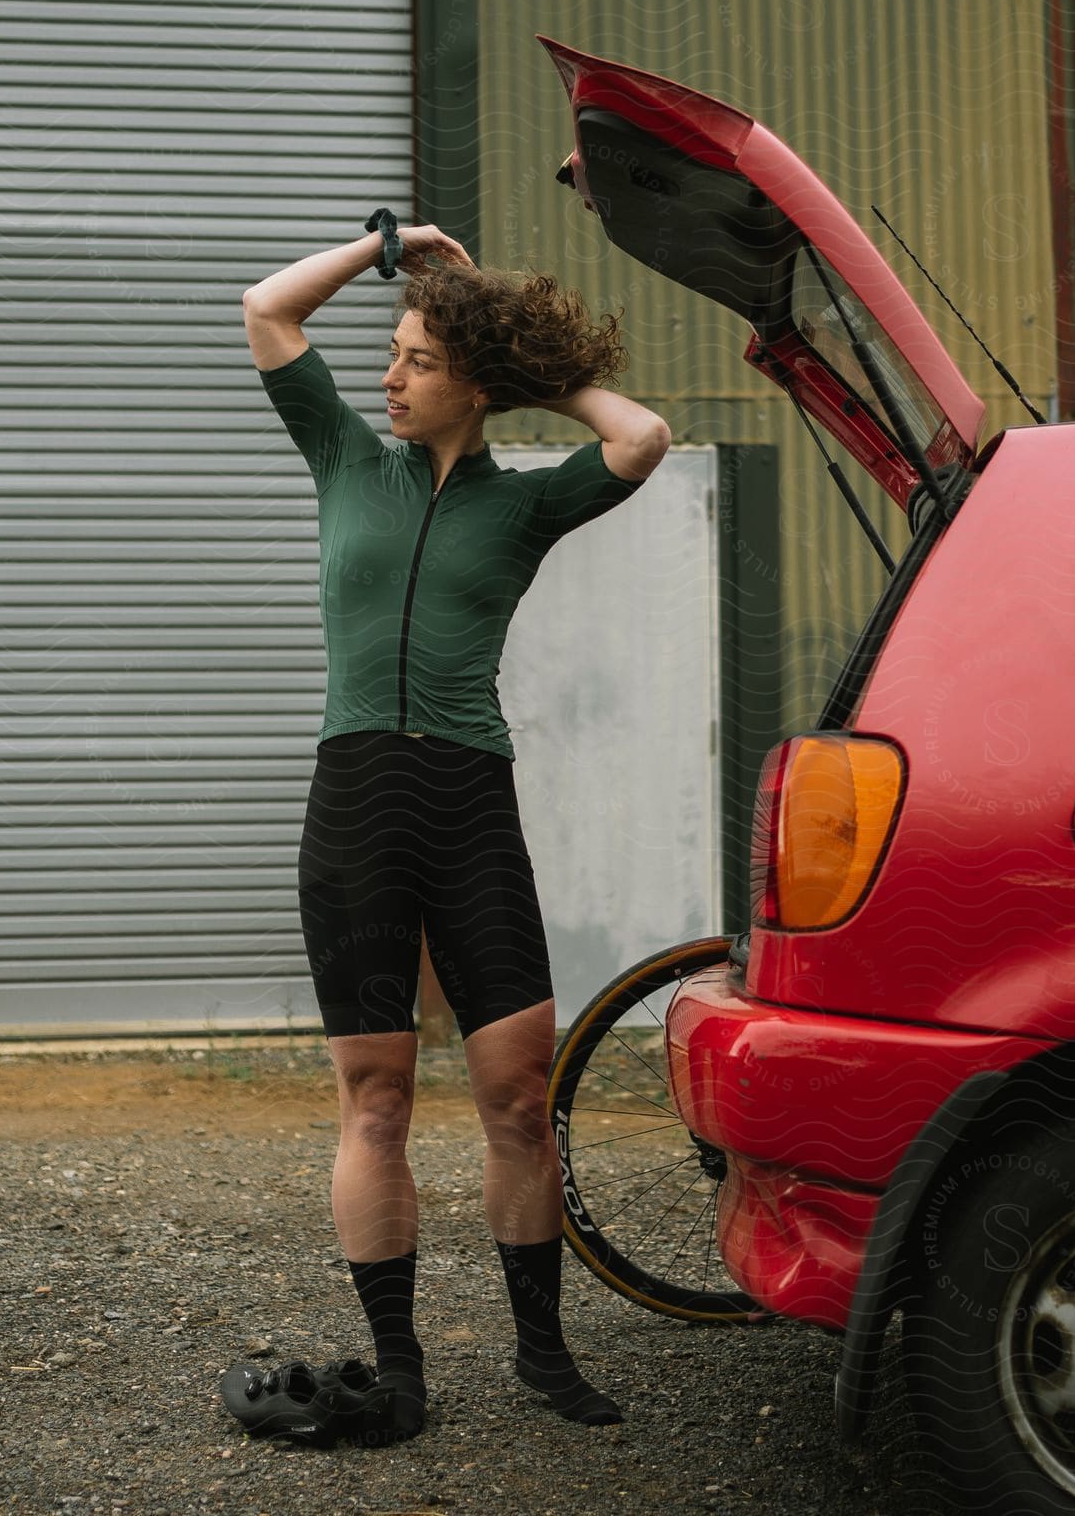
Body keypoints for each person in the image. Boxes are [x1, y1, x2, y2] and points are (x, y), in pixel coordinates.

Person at [218, 220, 671, 1448]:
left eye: (419, 358)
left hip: (470, 802)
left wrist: (522, 355)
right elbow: (268, 308)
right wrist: (394, 249)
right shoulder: (342, 462)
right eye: (396, 353)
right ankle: (401, 1368)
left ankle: (541, 1356)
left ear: (473, 381)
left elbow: (640, 438)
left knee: (517, 1095)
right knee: (377, 1101)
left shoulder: (522, 511)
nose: (391, 376)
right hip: (357, 803)